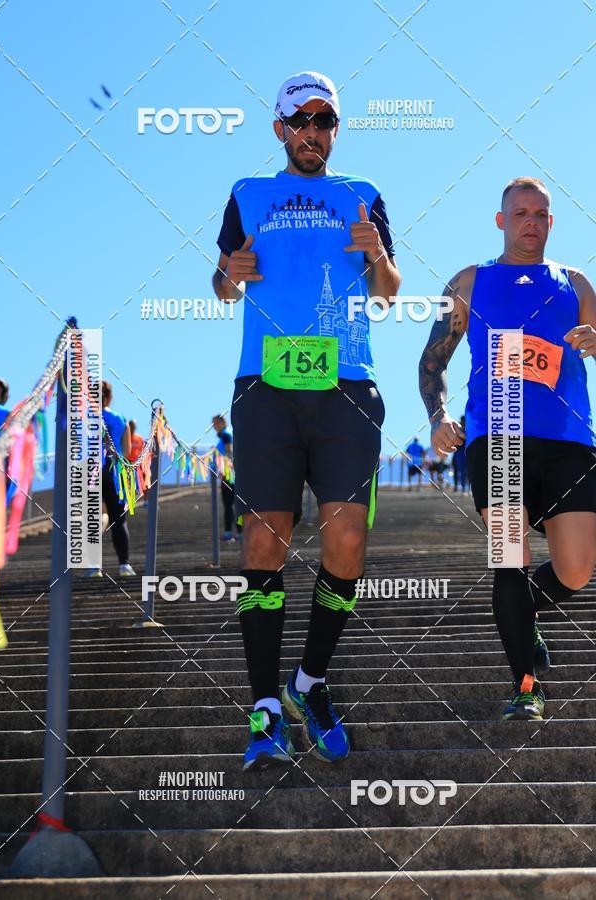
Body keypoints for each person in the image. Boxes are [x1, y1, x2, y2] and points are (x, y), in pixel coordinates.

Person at [213, 71, 400, 770]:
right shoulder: (246, 194)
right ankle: (264, 705)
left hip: (347, 384)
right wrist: (230, 273)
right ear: (280, 129)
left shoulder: (363, 194)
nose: (314, 134)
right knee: (264, 541)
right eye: (302, 121)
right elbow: (223, 283)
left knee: (347, 539)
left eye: (326, 123)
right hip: (264, 386)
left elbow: (388, 294)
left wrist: (376, 255)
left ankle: (310, 682)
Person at [418, 176, 596, 721]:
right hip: (498, 436)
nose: (531, 221)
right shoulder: (471, 281)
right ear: (501, 220)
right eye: (520, 212)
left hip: (568, 440)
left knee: (576, 570)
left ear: (550, 222)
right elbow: (432, 361)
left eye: (541, 214)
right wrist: (438, 416)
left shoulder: (577, 283)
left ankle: (527, 616)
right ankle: (525, 686)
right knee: (509, 559)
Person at [86, 381, 136, 578]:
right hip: (115, 471)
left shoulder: (85, 418)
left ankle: (94, 567)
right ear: (109, 397)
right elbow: (127, 449)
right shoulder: (119, 418)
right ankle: (124, 565)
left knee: (94, 517)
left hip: (92, 471)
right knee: (119, 520)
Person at [212, 414, 241, 541]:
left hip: (230, 475)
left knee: (229, 504)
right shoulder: (227, 434)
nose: (214, 427)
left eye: (215, 423)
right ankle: (237, 532)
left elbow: (229, 453)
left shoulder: (226, 435)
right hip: (231, 473)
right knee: (232, 504)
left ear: (222, 422)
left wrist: (225, 471)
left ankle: (231, 532)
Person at [452, 415, 468, 492]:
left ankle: (466, 489)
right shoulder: (459, 429)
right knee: (461, 471)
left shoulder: (466, 429)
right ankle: (463, 488)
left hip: (463, 452)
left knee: (465, 471)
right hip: (459, 452)